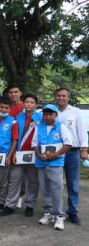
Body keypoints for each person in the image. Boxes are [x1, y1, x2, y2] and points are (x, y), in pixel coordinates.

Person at [0, 94, 42, 217]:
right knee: (14, 180)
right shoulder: (18, 117)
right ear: (23, 103)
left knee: (33, 181)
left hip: (34, 155)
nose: (29, 104)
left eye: (32, 102)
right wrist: (13, 154)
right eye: (27, 102)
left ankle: (30, 205)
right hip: (19, 154)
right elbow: (14, 137)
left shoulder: (40, 118)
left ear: (35, 105)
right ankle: (10, 205)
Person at [32, 104, 72, 230]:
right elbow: (34, 144)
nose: (48, 116)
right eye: (46, 114)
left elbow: (68, 144)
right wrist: (39, 155)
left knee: (56, 189)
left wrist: (55, 155)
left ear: (55, 115)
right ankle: (48, 213)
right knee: (45, 189)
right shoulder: (39, 127)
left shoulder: (61, 127)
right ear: (43, 115)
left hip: (55, 163)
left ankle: (59, 216)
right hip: (41, 162)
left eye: (51, 114)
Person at [55, 88, 88, 225]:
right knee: (56, 183)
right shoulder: (51, 112)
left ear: (68, 98)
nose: (61, 98)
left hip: (72, 152)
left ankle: (73, 212)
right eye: (58, 96)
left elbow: (82, 131)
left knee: (72, 184)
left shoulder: (76, 112)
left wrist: (84, 149)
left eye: (64, 96)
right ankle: (55, 211)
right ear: (55, 97)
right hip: (55, 152)